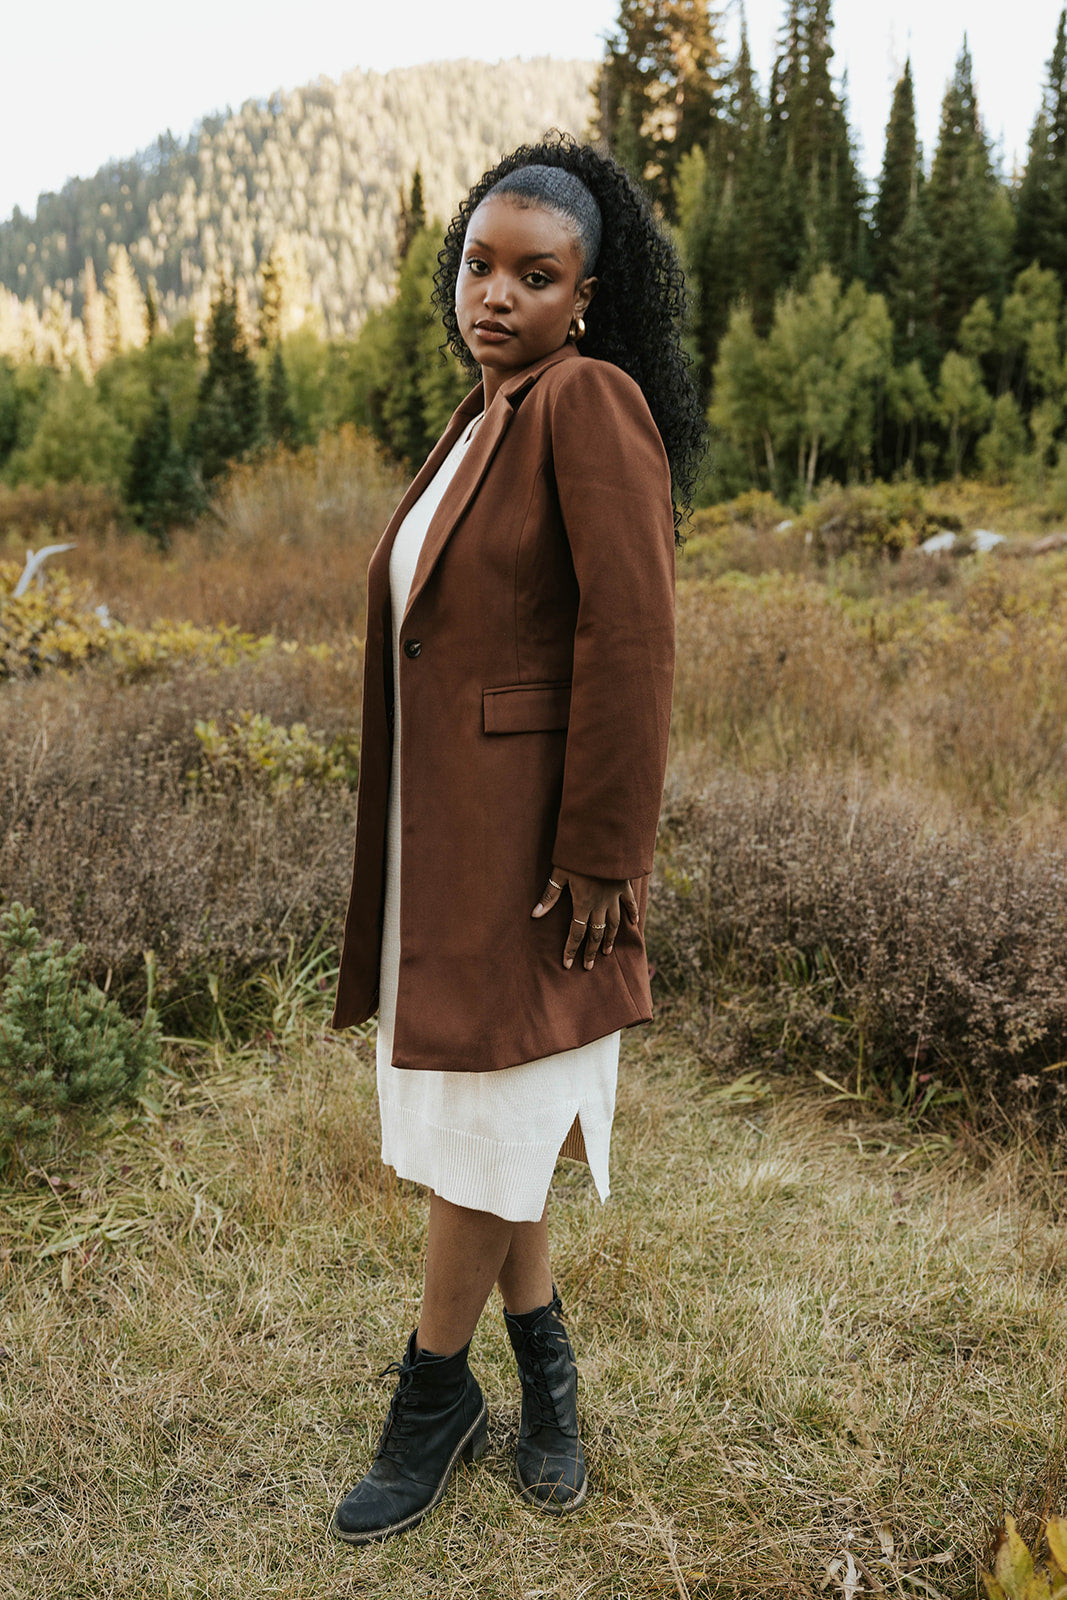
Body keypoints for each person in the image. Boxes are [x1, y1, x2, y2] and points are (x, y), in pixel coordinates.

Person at [328, 133, 705, 1545]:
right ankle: (545, 1377)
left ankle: (433, 1397)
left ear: (586, 298)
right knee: (493, 1118)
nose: (496, 294)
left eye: (534, 276)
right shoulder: (482, 416)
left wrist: (606, 852)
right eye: (479, 266)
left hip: (538, 859)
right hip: (453, 844)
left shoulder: (586, 403)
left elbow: (635, 636)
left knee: (494, 1116)